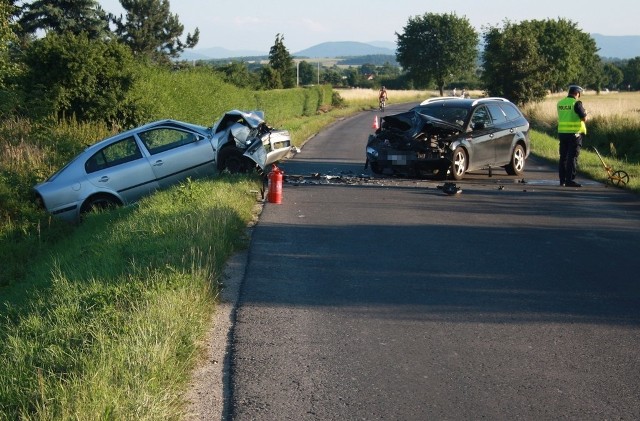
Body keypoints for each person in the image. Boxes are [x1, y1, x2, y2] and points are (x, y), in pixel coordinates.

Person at [557, 85, 588, 187]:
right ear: (577, 93)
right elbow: (584, 118)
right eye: (580, 94)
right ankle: (570, 180)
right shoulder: (577, 103)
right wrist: (586, 113)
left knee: (563, 157)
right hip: (574, 134)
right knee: (572, 157)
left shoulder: (560, 103)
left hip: (562, 134)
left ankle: (562, 180)